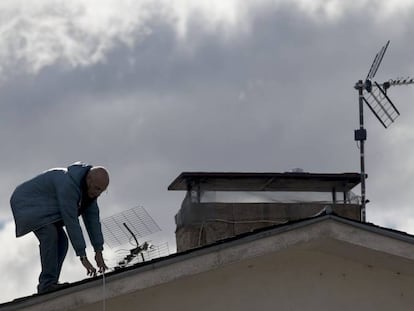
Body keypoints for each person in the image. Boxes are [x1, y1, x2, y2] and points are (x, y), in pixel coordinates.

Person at [10, 162, 109, 294]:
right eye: (97, 188)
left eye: (102, 191)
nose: (98, 193)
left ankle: (51, 283)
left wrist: (98, 251)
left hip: (47, 208)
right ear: (88, 180)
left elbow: (93, 222)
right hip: (26, 202)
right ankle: (47, 284)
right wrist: (82, 256)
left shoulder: (90, 193)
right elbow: (71, 221)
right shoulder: (68, 184)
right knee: (50, 235)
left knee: (62, 242)